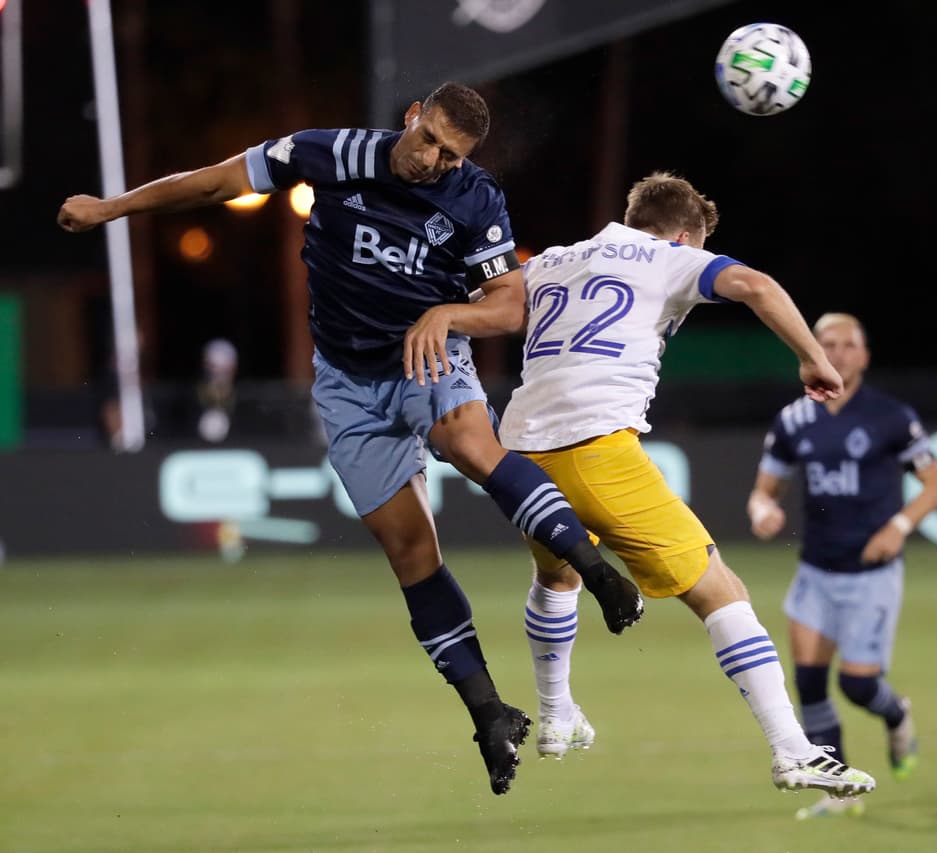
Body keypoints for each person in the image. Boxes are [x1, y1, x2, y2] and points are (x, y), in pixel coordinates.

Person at [57, 81, 644, 796]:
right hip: (344, 382)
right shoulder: (327, 154)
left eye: (452, 154)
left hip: (424, 356)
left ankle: (598, 569)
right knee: (409, 551)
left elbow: (511, 305)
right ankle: (489, 712)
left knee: (468, 441)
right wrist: (110, 208)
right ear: (411, 118)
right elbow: (214, 183)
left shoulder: (474, 198)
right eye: (430, 139)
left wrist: (450, 316)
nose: (436, 160)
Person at [496, 171, 877, 799]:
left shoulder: (556, 260)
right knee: (721, 591)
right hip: (595, 448)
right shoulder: (669, 257)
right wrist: (812, 356)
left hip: (520, 452)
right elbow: (754, 286)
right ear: (683, 235)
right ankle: (794, 751)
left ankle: (558, 714)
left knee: (557, 576)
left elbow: (498, 306)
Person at [746, 312, 937, 820]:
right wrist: (761, 511)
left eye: (846, 344)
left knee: (858, 685)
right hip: (816, 571)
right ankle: (837, 794)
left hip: (871, 576)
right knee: (810, 684)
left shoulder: (891, 417)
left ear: (864, 356)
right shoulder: (795, 419)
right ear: (809, 351)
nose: (836, 352)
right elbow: (763, 490)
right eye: (825, 343)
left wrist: (897, 528)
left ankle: (897, 714)